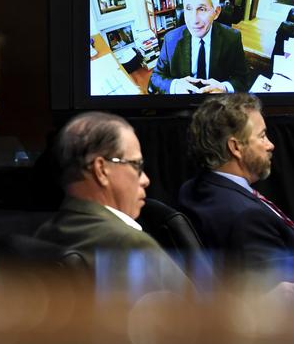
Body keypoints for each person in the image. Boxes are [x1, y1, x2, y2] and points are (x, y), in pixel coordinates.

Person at [179, 93, 294, 288]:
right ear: (236, 147)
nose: (271, 145)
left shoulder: (195, 189)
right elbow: (284, 296)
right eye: (262, 136)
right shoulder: (246, 216)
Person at [35, 112, 188, 292]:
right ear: (101, 170)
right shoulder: (131, 243)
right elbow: (200, 315)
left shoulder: (44, 232)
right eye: (136, 165)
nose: (145, 180)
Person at [148, 0, 250, 94]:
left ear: (216, 12)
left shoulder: (232, 38)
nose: (194, 20)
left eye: (202, 9)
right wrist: (175, 86)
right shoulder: (170, 39)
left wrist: (224, 87)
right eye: (188, 8)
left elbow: (243, 79)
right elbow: (155, 77)